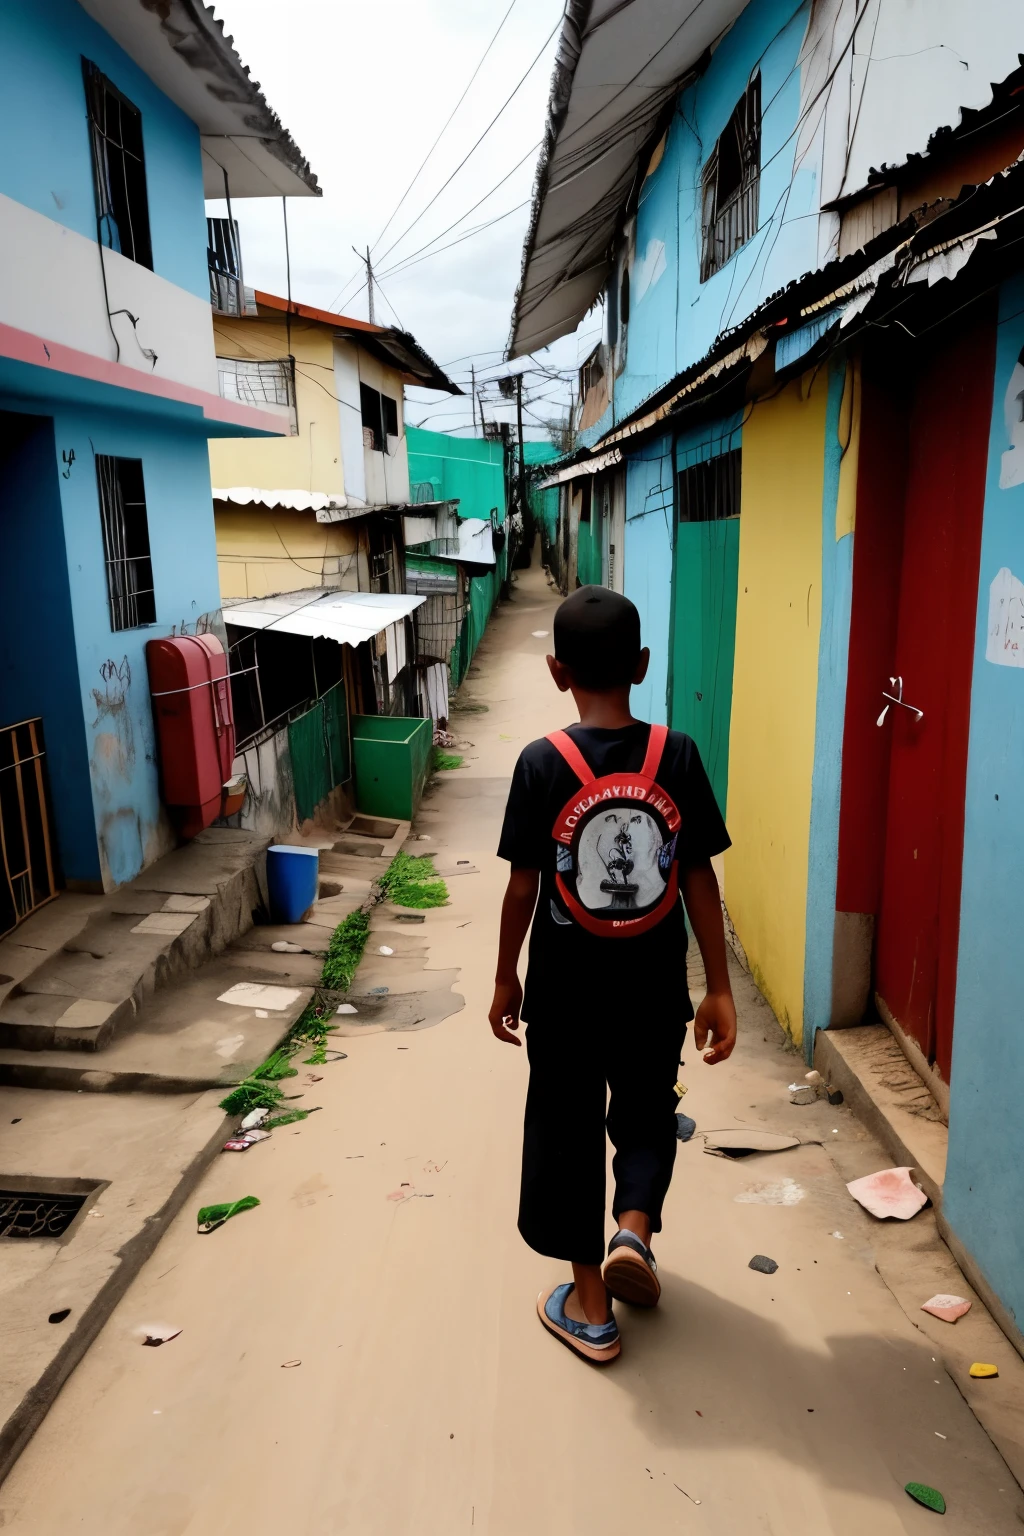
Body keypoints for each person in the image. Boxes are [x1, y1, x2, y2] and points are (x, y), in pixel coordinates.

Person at [490, 585, 737, 1364]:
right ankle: (633, 1228)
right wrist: (718, 987)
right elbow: (697, 877)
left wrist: (506, 977)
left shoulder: (540, 764)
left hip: (565, 996)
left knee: (564, 1131)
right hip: (652, 987)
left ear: (558, 672)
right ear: (641, 664)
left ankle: (591, 1308)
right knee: (645, 1111)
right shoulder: (680, 755)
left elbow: (525, 887)